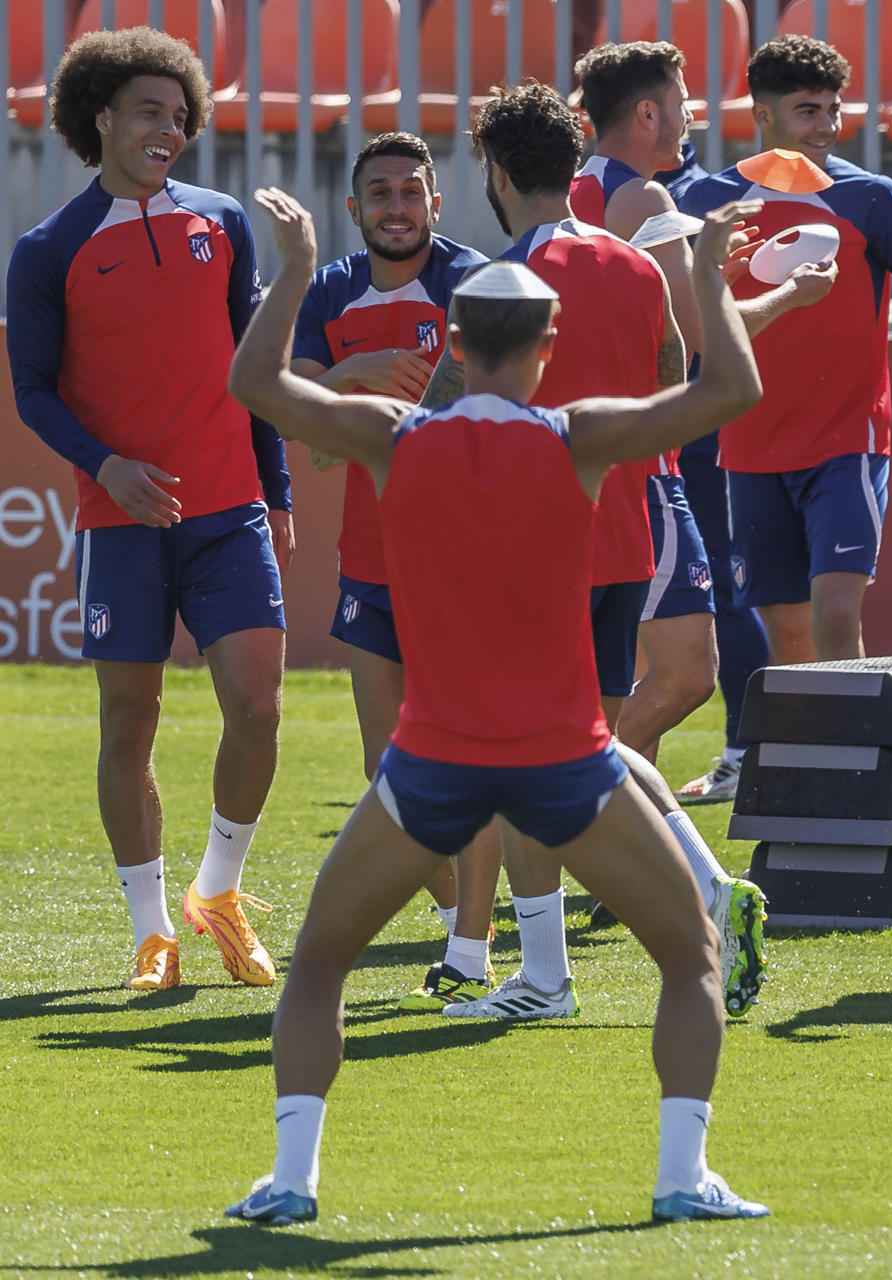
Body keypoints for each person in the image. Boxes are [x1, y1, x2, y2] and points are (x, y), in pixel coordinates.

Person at [223, 187, 770, 1226]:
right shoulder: (581, 438)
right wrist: (706, 266)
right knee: (690, 955)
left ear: (456, 338)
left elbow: (252, 379)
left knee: (319, 962)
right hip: (566, 761)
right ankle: (679, 1177)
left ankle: (291, 1179)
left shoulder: (396, 436)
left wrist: (293, 264)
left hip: (431, 759)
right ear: (549, 341)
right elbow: (730, 385)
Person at [421, 82, 768, 1021]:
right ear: (577, 167)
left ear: (495, 172)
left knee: (530, 753)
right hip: (633, 525)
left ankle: (544, 976)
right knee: (591, 744)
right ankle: (708, 885)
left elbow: (446, 415)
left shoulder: (501, 284)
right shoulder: (637, 267)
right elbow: (666, 376)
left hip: (539, 537)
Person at [7, 28, 293, 991]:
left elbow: (255, 371)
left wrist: (277, 489)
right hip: (120, 521)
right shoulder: (48, 250)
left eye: (180, 114)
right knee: (128, 725)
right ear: (100, 118)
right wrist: (107, 465)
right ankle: (149, 934)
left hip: (228, 513)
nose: (168, 129)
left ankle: (216, 895)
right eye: (147, 111)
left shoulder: (222, 221)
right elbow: (35, 390)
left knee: (257, 709)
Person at [679, 35, 892, 668]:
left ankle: (855, 764)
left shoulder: (871, 197)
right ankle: (802, 767)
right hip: (750, 449)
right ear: (763, 116)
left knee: (836, 613)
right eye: (808, 110)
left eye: (834, 109)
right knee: (786, 634)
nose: (828, 126)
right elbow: (684, 332)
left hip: (848, 442)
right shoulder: (705, 206)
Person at [571, 40, 830, 769]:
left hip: (590, 454)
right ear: (648, 111)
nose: (690, 120)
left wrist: (718, 272)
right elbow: (702, 338)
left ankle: (628, 862)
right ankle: (560, 787)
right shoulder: (644, 196)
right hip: (644, 463)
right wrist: (791, 293)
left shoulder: (578, 187)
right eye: (681, 103)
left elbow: (650, 308)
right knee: (688, 672)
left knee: (617, 671)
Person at [289, 131, 502, 1010]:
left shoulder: (474, 281)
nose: (397, 207)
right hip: (371, 562)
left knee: (478, 754)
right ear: (354, 209)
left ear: (436, 203)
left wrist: (371, 409)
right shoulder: (330, 291)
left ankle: (474, 944)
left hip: (465, 566)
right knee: (390, 768)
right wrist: (355, 373)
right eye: (380, 193)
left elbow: (498, 403)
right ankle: (461, 918)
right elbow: (300, 411)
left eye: (411, 191)